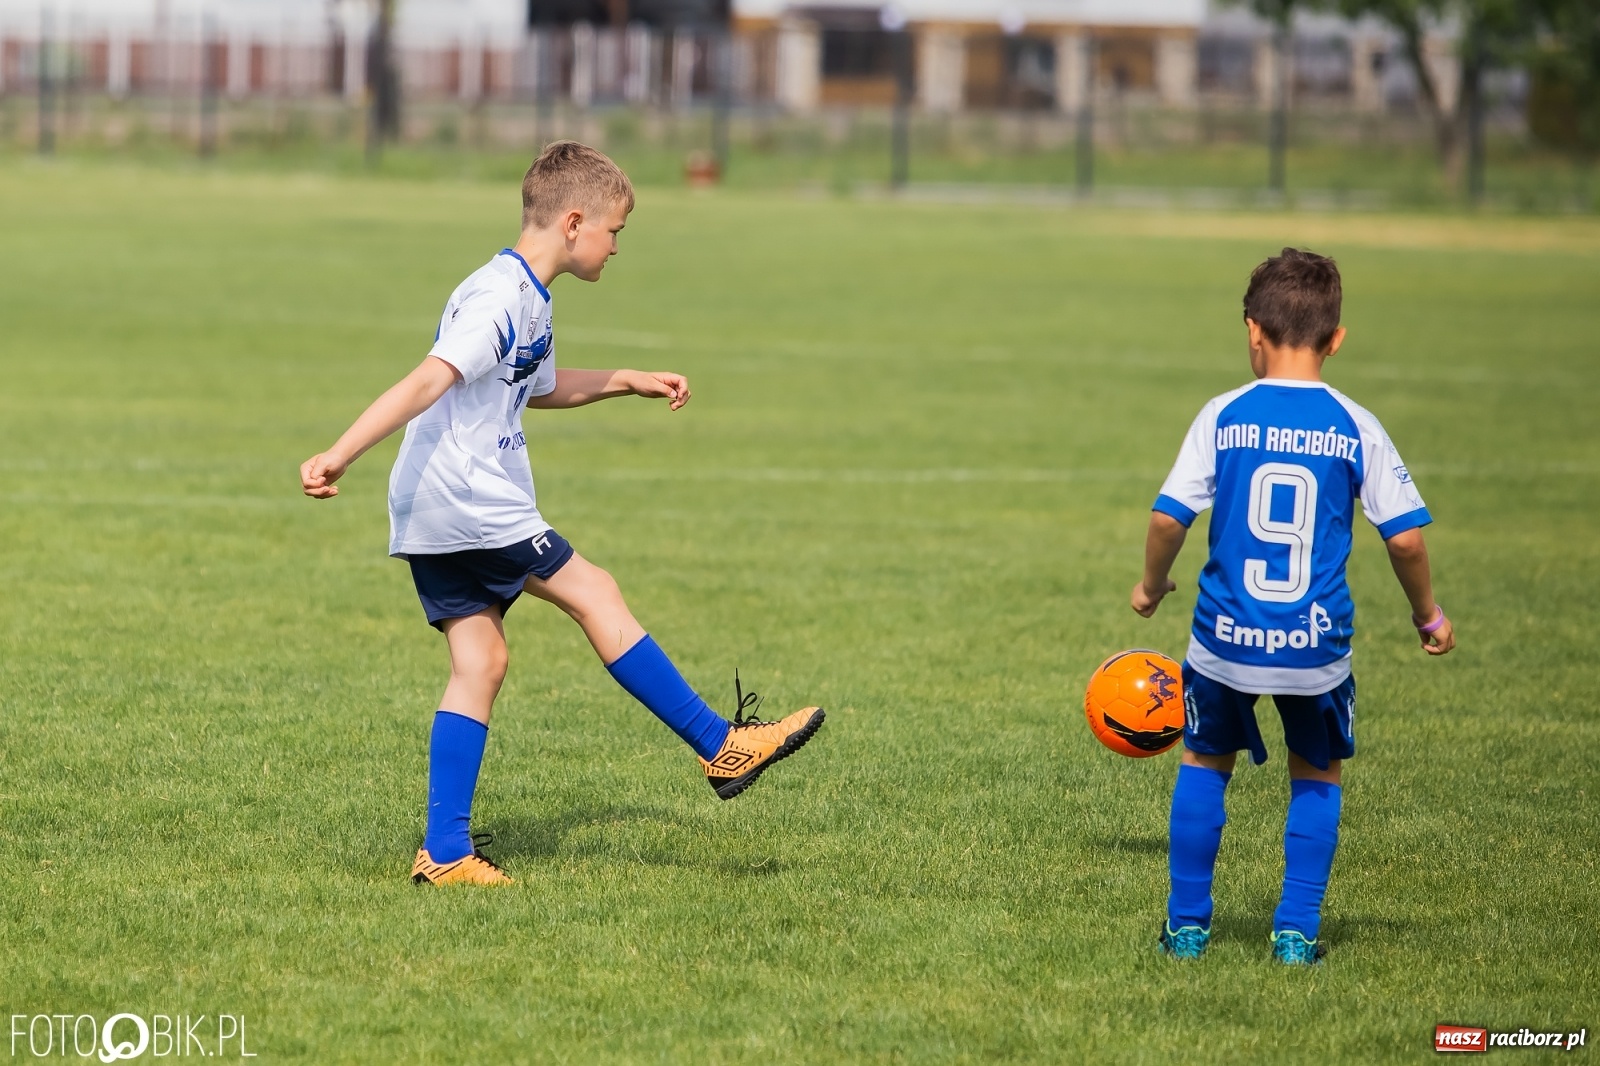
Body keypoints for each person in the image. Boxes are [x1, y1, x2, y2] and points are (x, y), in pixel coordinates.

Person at [299, 141, 825, 886]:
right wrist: (340, 451)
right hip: (468, 496)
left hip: (434, 503)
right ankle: (720, 745)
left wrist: (625, 380)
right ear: (574, 222)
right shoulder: (497, 297)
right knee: (594, 590)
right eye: (615, 231)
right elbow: (430, 378)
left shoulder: (526, 295)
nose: (616, 246)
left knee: (480, 663)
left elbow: (536, 385)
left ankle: (444, 853)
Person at [1131, 247, 1455, 964]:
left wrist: (1151, 587)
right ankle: (1296, 931)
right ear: (1337, 339)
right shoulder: (1354, 424)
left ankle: (1187, 927)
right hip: (1315, 645)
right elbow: (1405, 541)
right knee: (1317, 773)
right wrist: (1427, 614)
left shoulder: (1224, 415)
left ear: (1253, 331)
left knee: (1203, 763)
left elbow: (1167, 519)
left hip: (1225, 638)